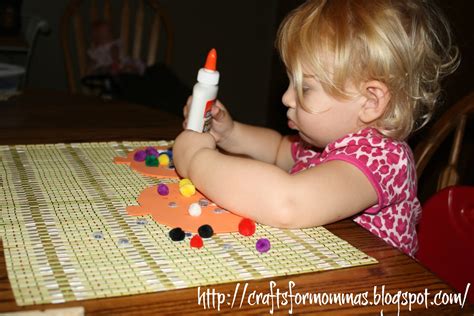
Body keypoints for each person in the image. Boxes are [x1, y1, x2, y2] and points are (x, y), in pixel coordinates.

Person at [173, 0, 459, 257]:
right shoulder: (325, 142)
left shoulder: (383, 161)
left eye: (305, 88)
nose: (286, 98)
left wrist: (197, 161)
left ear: (370, 101)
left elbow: (287, 203)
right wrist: (231, 133)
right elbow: (277, 150)